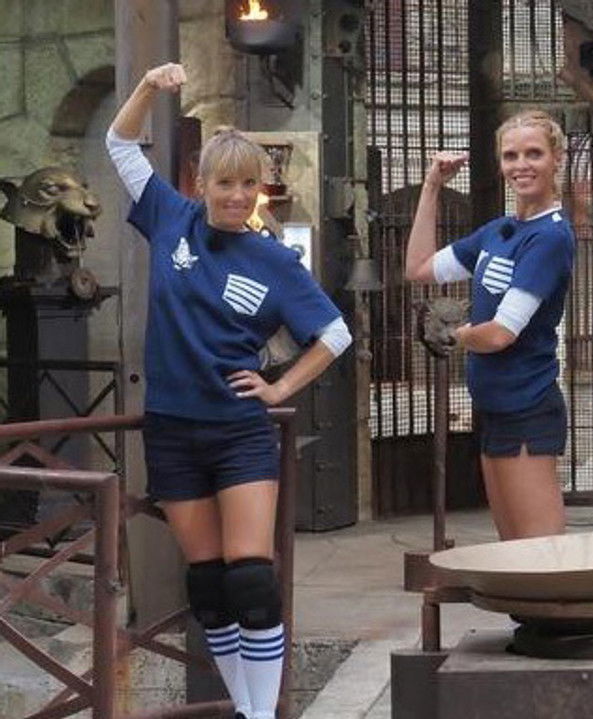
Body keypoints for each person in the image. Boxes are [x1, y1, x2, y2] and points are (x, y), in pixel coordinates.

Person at [108, 64, 350, 719]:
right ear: (201, 182)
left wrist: (282, 385)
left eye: (249, 184)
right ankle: (246, 709)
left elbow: (334, 333)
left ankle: (262, 714)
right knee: (210, 586)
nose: (237, 196)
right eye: (225, 183)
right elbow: (119, 144)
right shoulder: (172, 219)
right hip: (171, 428)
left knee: (251, 578)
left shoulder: (275, 259)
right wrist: (149, 87)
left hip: (238, 430)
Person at [403, 110, 575, 540]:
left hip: (528, 404)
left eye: (534, 153)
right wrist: (431, 186)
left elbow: (500, 334)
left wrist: (454, 333)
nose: (521, 165)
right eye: (511, 156)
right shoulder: (498, 231)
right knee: (511, 553)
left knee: (541, 554)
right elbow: (419, 268)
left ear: (556, 158)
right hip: (494, 406)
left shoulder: (550, 237)